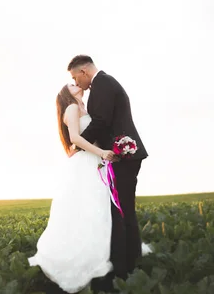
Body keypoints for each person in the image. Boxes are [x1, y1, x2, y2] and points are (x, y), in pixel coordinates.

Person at [28, 81, 152, 293]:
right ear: (66, 93)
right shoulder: (72, 107)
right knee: (90, 209)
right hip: (86, 163)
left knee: (100, 210)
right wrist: (101, 152)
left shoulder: (84, 108)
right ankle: (90, 258)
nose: (76, 84)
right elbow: (75, 138)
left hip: (94, 161)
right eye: (71, 84)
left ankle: (103, 254)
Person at [68, 54, 149, 293]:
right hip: (123, 156)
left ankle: (126, 269)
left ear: (83, 71)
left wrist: (80, 144)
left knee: (121, 211)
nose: (76, 82)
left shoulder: (102, 83)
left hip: (123, 156)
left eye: (75, 77)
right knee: (124, 210)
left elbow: (101, 121)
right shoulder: (105, 83)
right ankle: (129, 262)